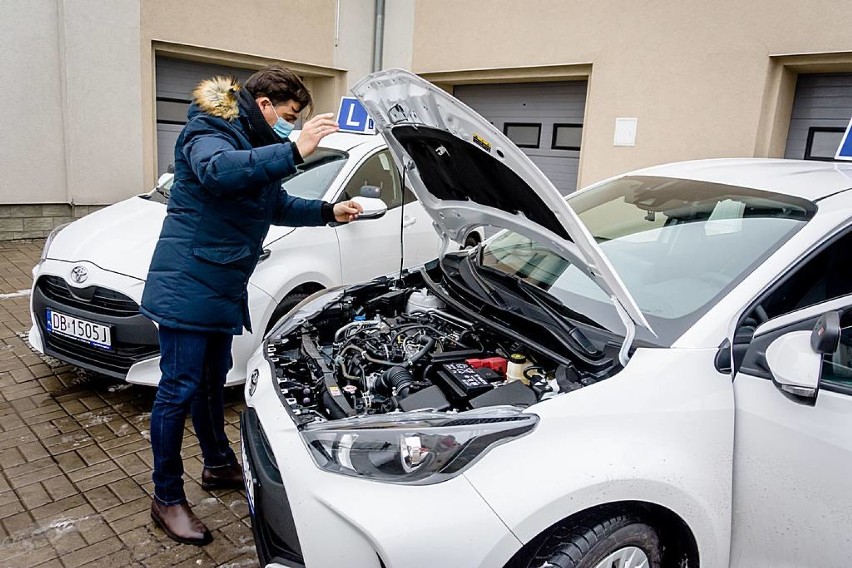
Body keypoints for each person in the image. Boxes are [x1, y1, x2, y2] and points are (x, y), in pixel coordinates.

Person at [139, 65, 362, 546]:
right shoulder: (210, 129)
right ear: (264, 106)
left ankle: (218, 464)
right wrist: (292, 148)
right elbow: (218, 174)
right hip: (188, 282)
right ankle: (166, 497)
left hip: (219, 282)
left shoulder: (258, 143)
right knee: (177, 390)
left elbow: (274, 204)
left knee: (210, 383)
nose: (290, 125)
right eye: (287, 116)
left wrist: (328, 211)